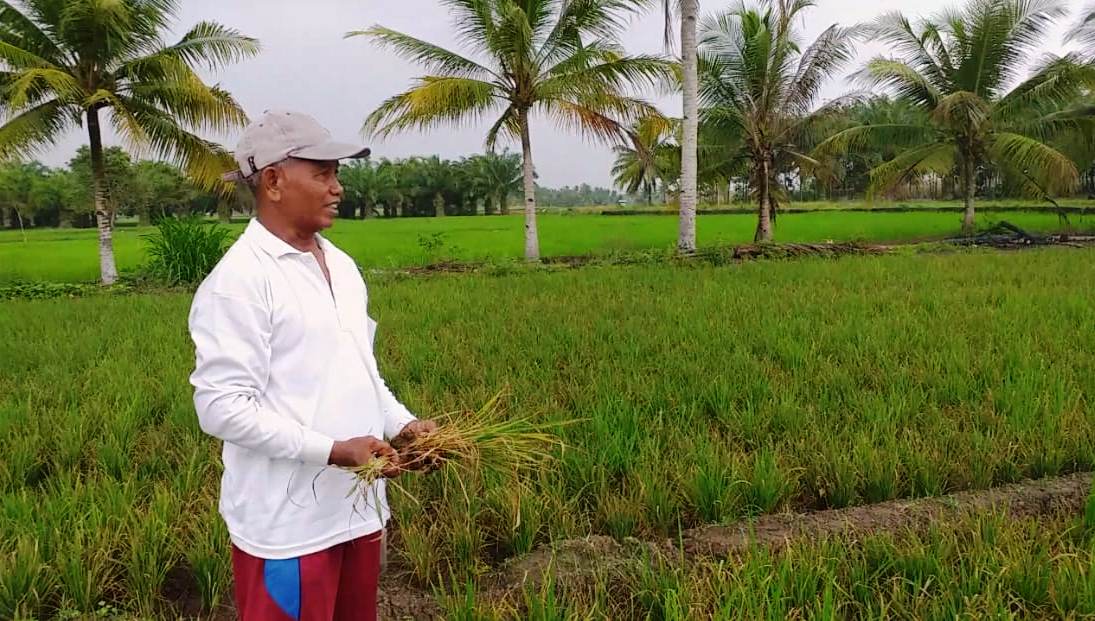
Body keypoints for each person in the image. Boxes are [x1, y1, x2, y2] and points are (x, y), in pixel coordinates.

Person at [188, 110, 437, 621]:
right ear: (274, 181)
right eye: (322, 173)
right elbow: (221, 408)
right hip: (289, 531)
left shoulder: (341, 265)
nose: (336, 187)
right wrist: (334, 450)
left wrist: (403, 424)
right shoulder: (240, 281)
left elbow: (361, 370)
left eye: (336, 174)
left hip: (359, 512)